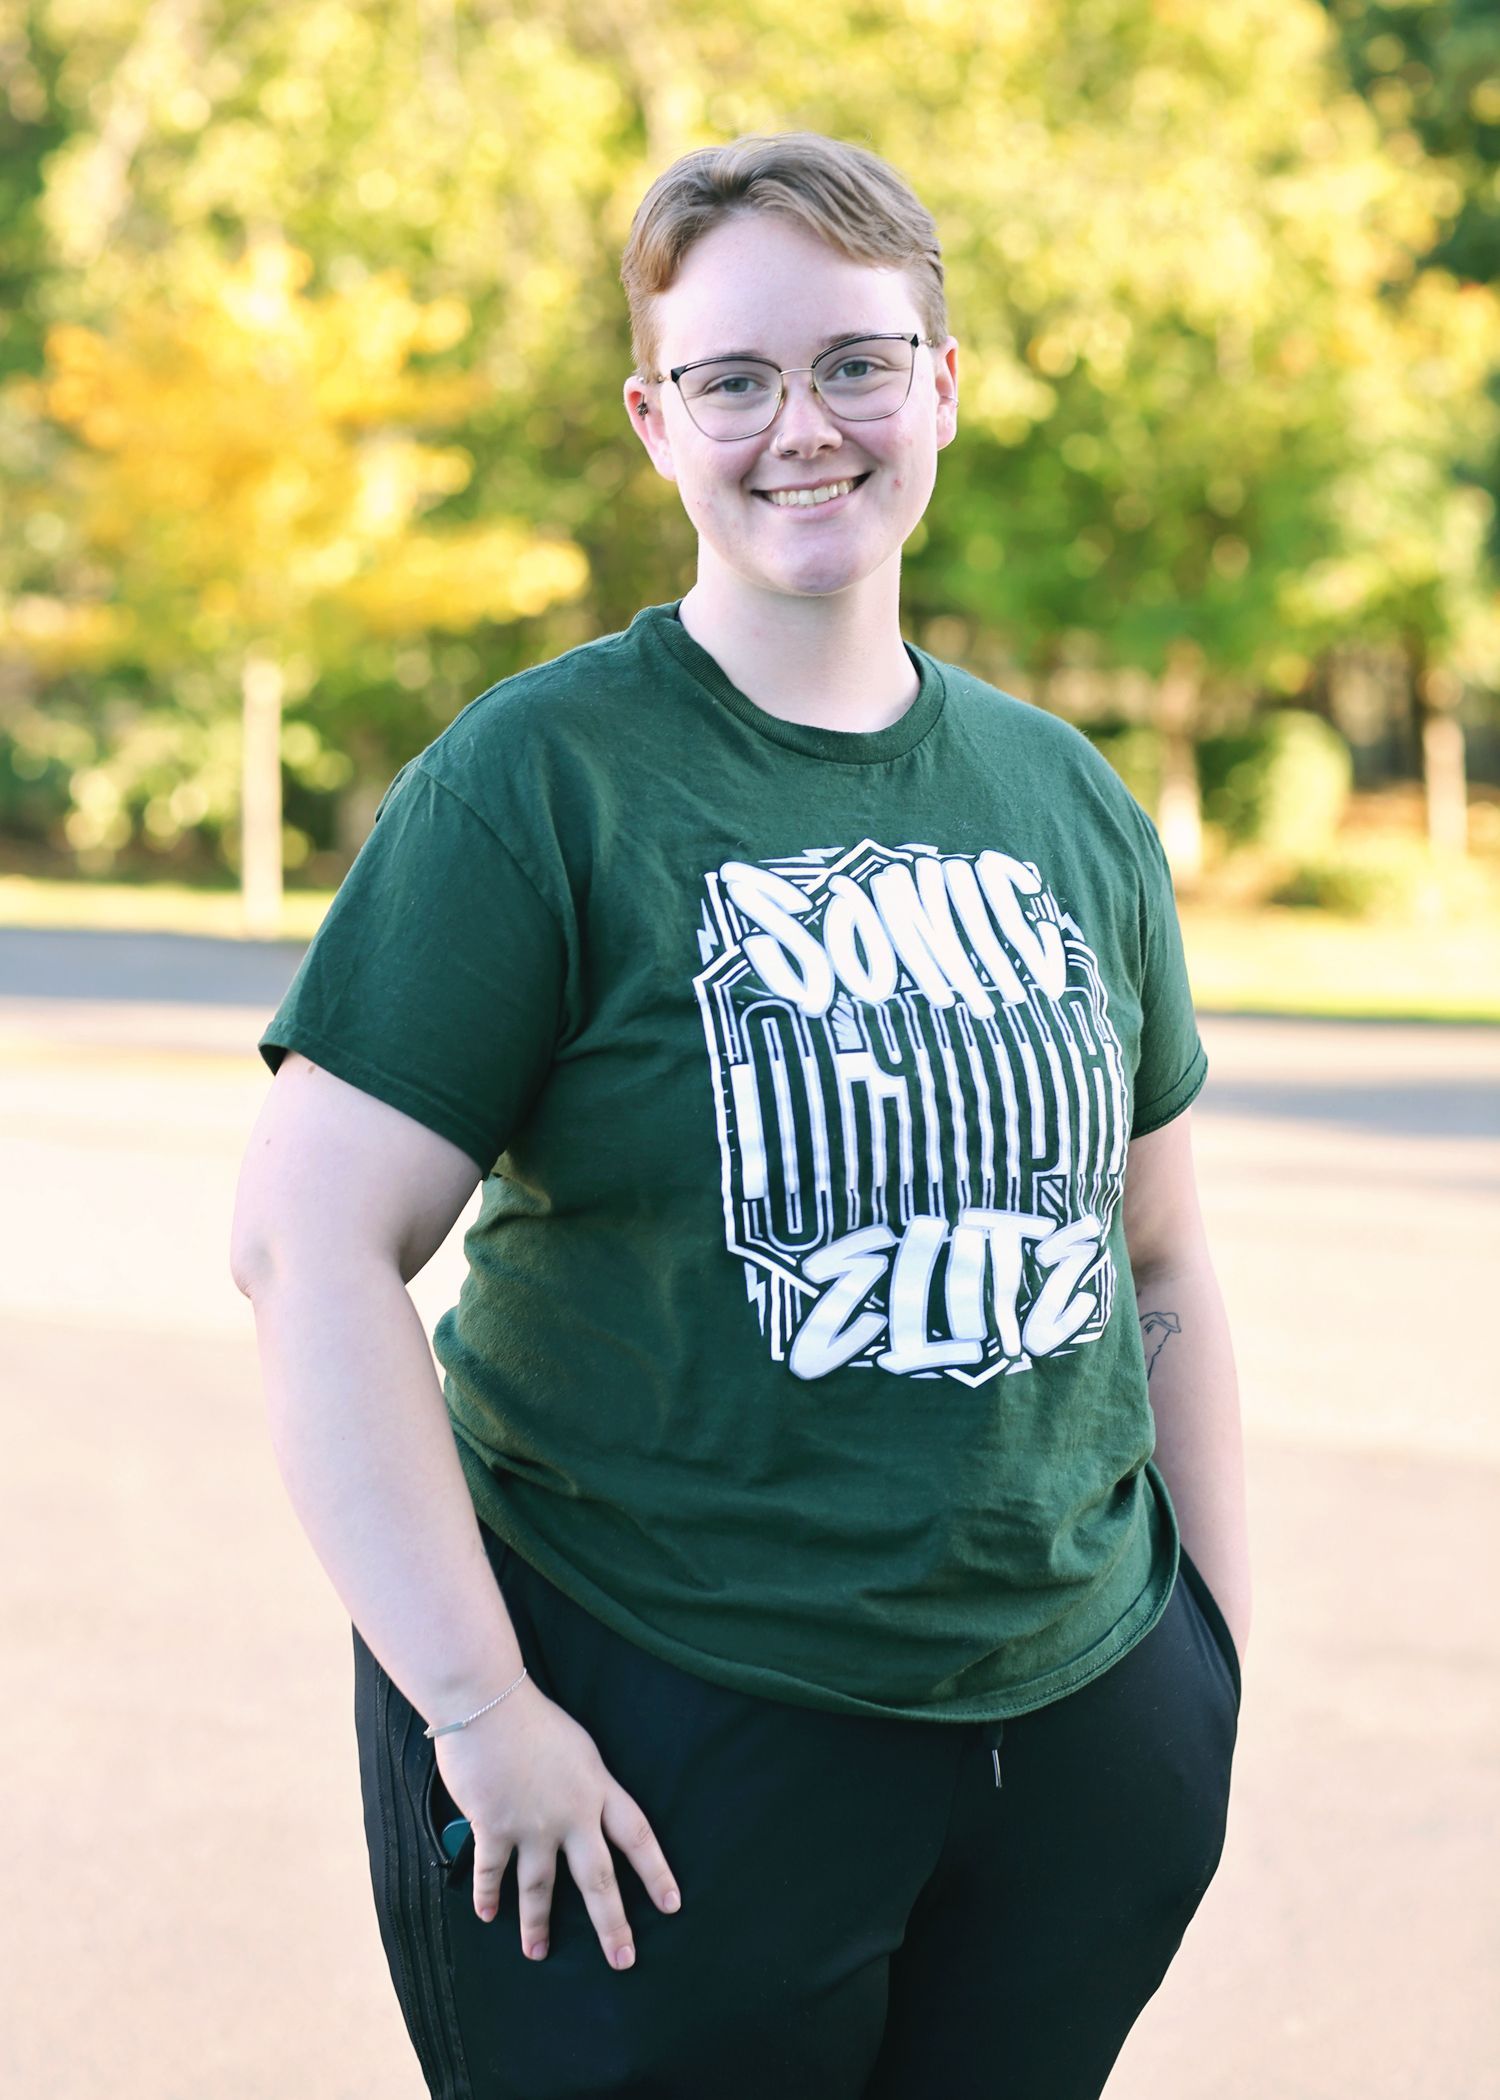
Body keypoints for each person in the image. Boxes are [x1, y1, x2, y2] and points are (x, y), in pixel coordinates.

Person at [231, 131, 1250, 2100]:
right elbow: (308, 1246)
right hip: (648, 1734)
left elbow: (1164, 1255)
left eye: (861, 362)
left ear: (943, 386)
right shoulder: (538, 783)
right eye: (737, 378)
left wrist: (1199, 1662)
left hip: (1074, 1736)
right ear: (655, 418)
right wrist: (478, 1711)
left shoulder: (1065, 800)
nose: (808, 426)